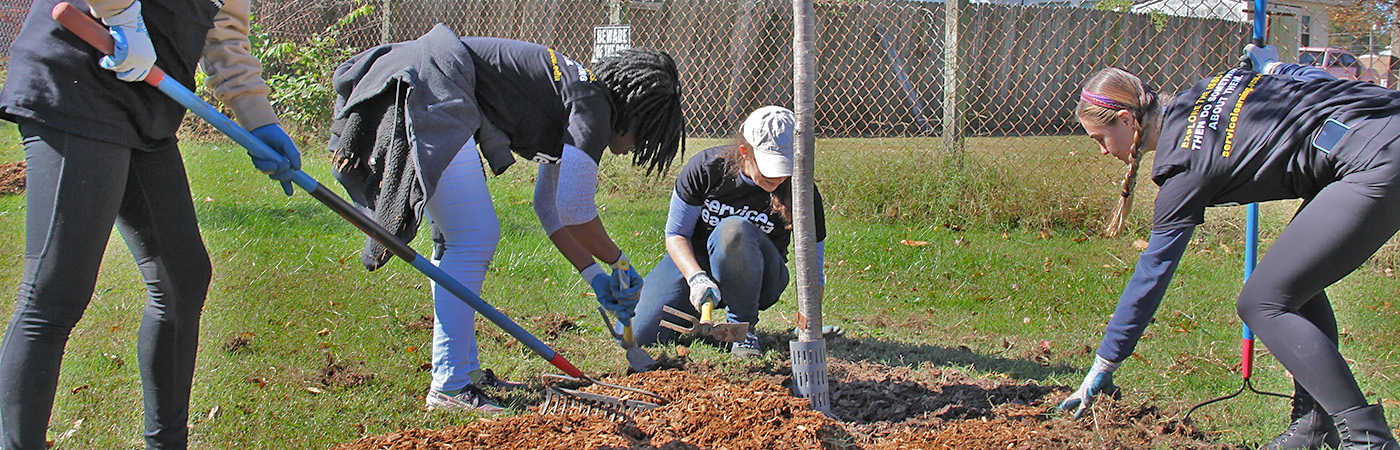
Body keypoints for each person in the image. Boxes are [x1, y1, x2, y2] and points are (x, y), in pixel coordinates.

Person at [1057, 45, 1400, 450]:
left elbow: (1152, 272)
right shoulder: (1214, 84)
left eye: (1100, 138)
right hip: (1382, 126)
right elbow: (1315, 80)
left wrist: (1105, 363)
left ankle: (1369, 440)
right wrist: (1274, 64)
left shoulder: (1182, 170)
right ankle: (1313, 424)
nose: (1102, 150)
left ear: (1127, 120)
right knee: (1288, 284)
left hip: (1377, 162)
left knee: (1262, 302)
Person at [327, 26, 685, 413]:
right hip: (432, 80)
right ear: (635, 111)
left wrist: (594, 277)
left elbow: (550, 209)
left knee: (457, 240)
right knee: (472, 236)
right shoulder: (593, 106)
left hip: (433, 79)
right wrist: (620, 263)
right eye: (644, 135)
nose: (634, 147)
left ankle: (464, 372)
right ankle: (450, 386)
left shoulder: (577, 99)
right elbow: (575, 209)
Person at [0, 0, 303, 447]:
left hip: (145, 105)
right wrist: (121, 15)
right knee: (56, 290)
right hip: (77, 81)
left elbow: (225, 35)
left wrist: (258, 119)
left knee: (182, 278)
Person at [631, 106, 827, 357]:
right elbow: (676, 235)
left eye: (785, 166)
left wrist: (810, 320)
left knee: (733, 230)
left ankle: (742, 330)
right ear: (745, 152)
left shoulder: (801, 189)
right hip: (699, 263)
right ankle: (702, 320)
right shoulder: (707, 169)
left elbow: (814, 265)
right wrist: (696, 278)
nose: (778, 177)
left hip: (762, 275)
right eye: (770, 166)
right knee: (640, 333)